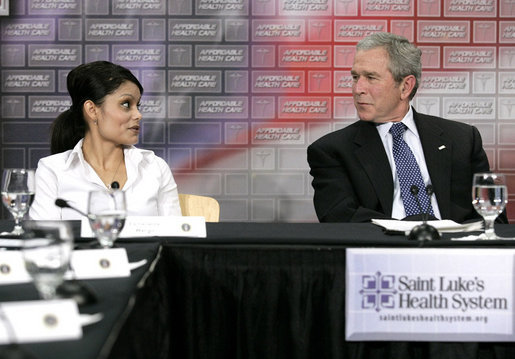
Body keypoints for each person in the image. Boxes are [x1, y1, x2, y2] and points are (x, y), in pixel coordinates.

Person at [307, 32, 507, 224]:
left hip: (455, 251)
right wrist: (411, 229)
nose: (358, 88)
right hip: (382, 251)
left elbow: (493, 216)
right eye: (355, 77)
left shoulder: (462, 139)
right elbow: (340, 219)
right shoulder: (332, 150)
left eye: (370, 77)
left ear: (405, 87)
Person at [30, 61, 182, 220]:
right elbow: (44, 238)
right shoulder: (52, 170)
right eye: (126, 104)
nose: (138, 115)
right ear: (92, 110)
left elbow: (174, 236)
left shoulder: (155, 167)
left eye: (138, 105)